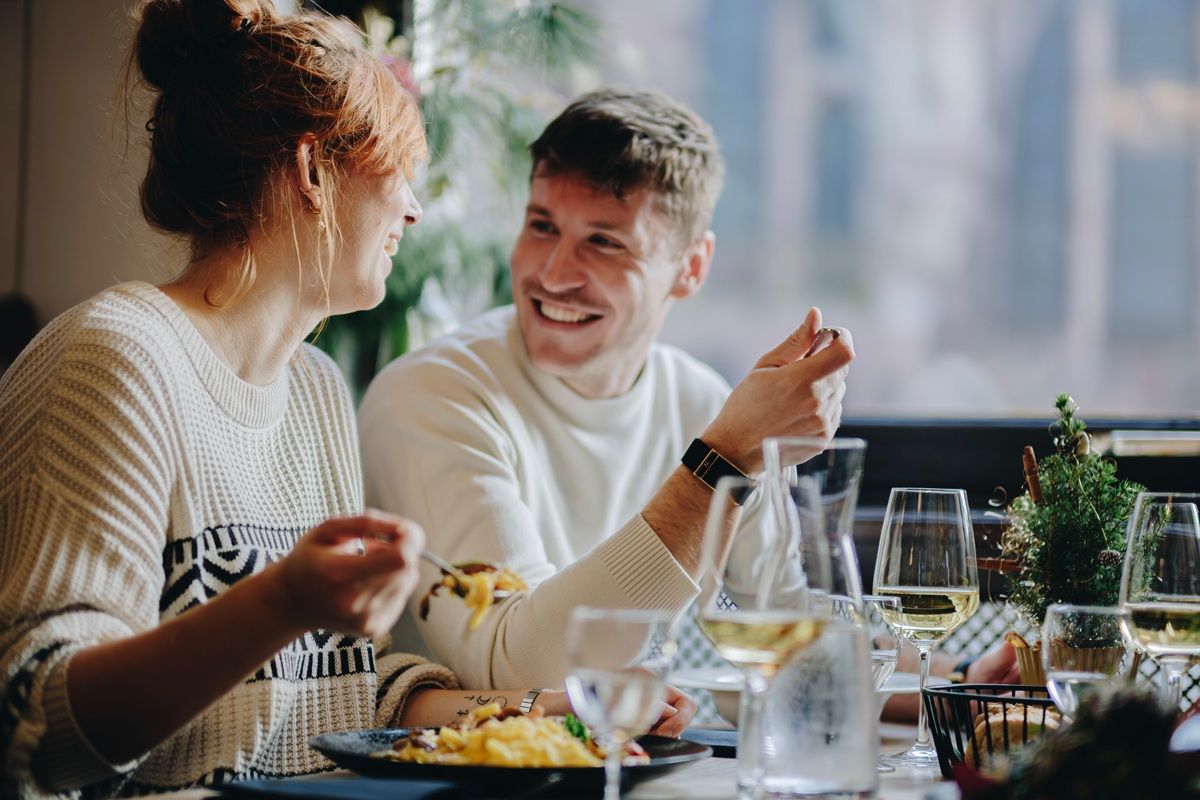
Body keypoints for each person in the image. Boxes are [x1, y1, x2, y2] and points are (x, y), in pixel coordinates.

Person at [0, 5, 689, 797]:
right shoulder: (116, 359)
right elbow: (45, 732)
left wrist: (543, 709)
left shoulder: (317, 390)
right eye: (400, 171)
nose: (414, 210)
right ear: (312, 171)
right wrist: (283, 600)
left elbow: (336, 690)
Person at [359, 87, 1018, 700]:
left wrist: (962, 679)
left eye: (604, 242)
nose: (553, 273)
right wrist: (722, 459)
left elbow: (785, 636)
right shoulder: (435, 396)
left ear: (691, 267)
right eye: (541, 226)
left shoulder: (699, 400)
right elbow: (519, 671)